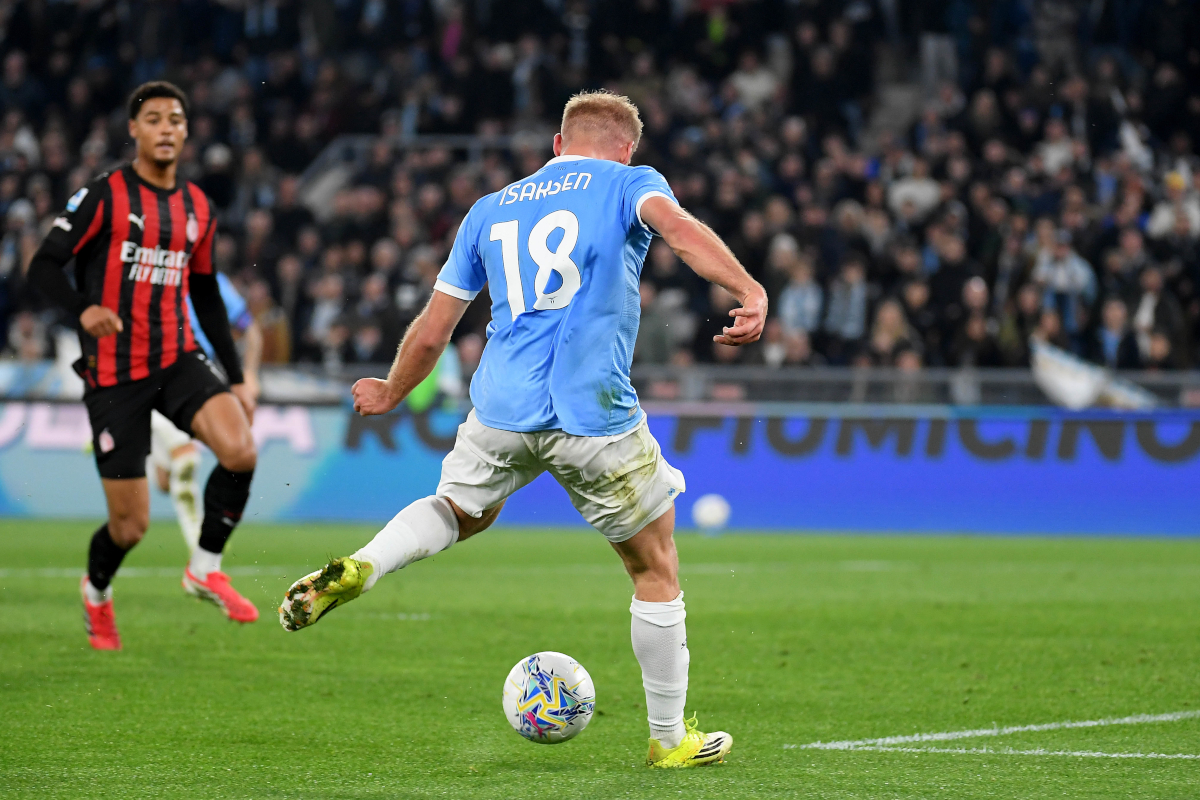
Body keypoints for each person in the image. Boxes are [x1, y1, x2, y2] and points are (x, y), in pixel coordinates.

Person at [279, 91, 767, 769]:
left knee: (458, 510)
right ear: (626, 147)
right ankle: (667, 739)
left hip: (500, 409)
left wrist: (393, 389)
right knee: (653, 568)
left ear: (558, 144)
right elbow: (679, 230)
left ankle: (367, 563)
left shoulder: (491, 209)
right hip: (592, 412)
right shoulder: (632, 183)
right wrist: (749, 289)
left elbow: (435, 327)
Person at [27, 82, 259, 651]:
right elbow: (43, 268)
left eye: (174, 120)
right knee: (131, 526)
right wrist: (85, 309)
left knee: (241, 450)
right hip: (113, 375)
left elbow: (204, 292)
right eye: (152, 119)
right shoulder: (104, 194)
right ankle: (97, 593)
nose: (164, 128)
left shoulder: (197, 206)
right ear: (133, 130)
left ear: (185, 132)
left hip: (176, 357)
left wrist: (236, 375)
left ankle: (205, 567)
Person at [148, 272, 262, 554]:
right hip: (153, 372)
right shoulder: (150, 268)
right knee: (186, 461)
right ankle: (203, 557)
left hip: (197, 377)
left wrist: (248, 373)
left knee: (166, 481)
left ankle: (150, 452)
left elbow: (251, 330)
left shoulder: (215, 281)